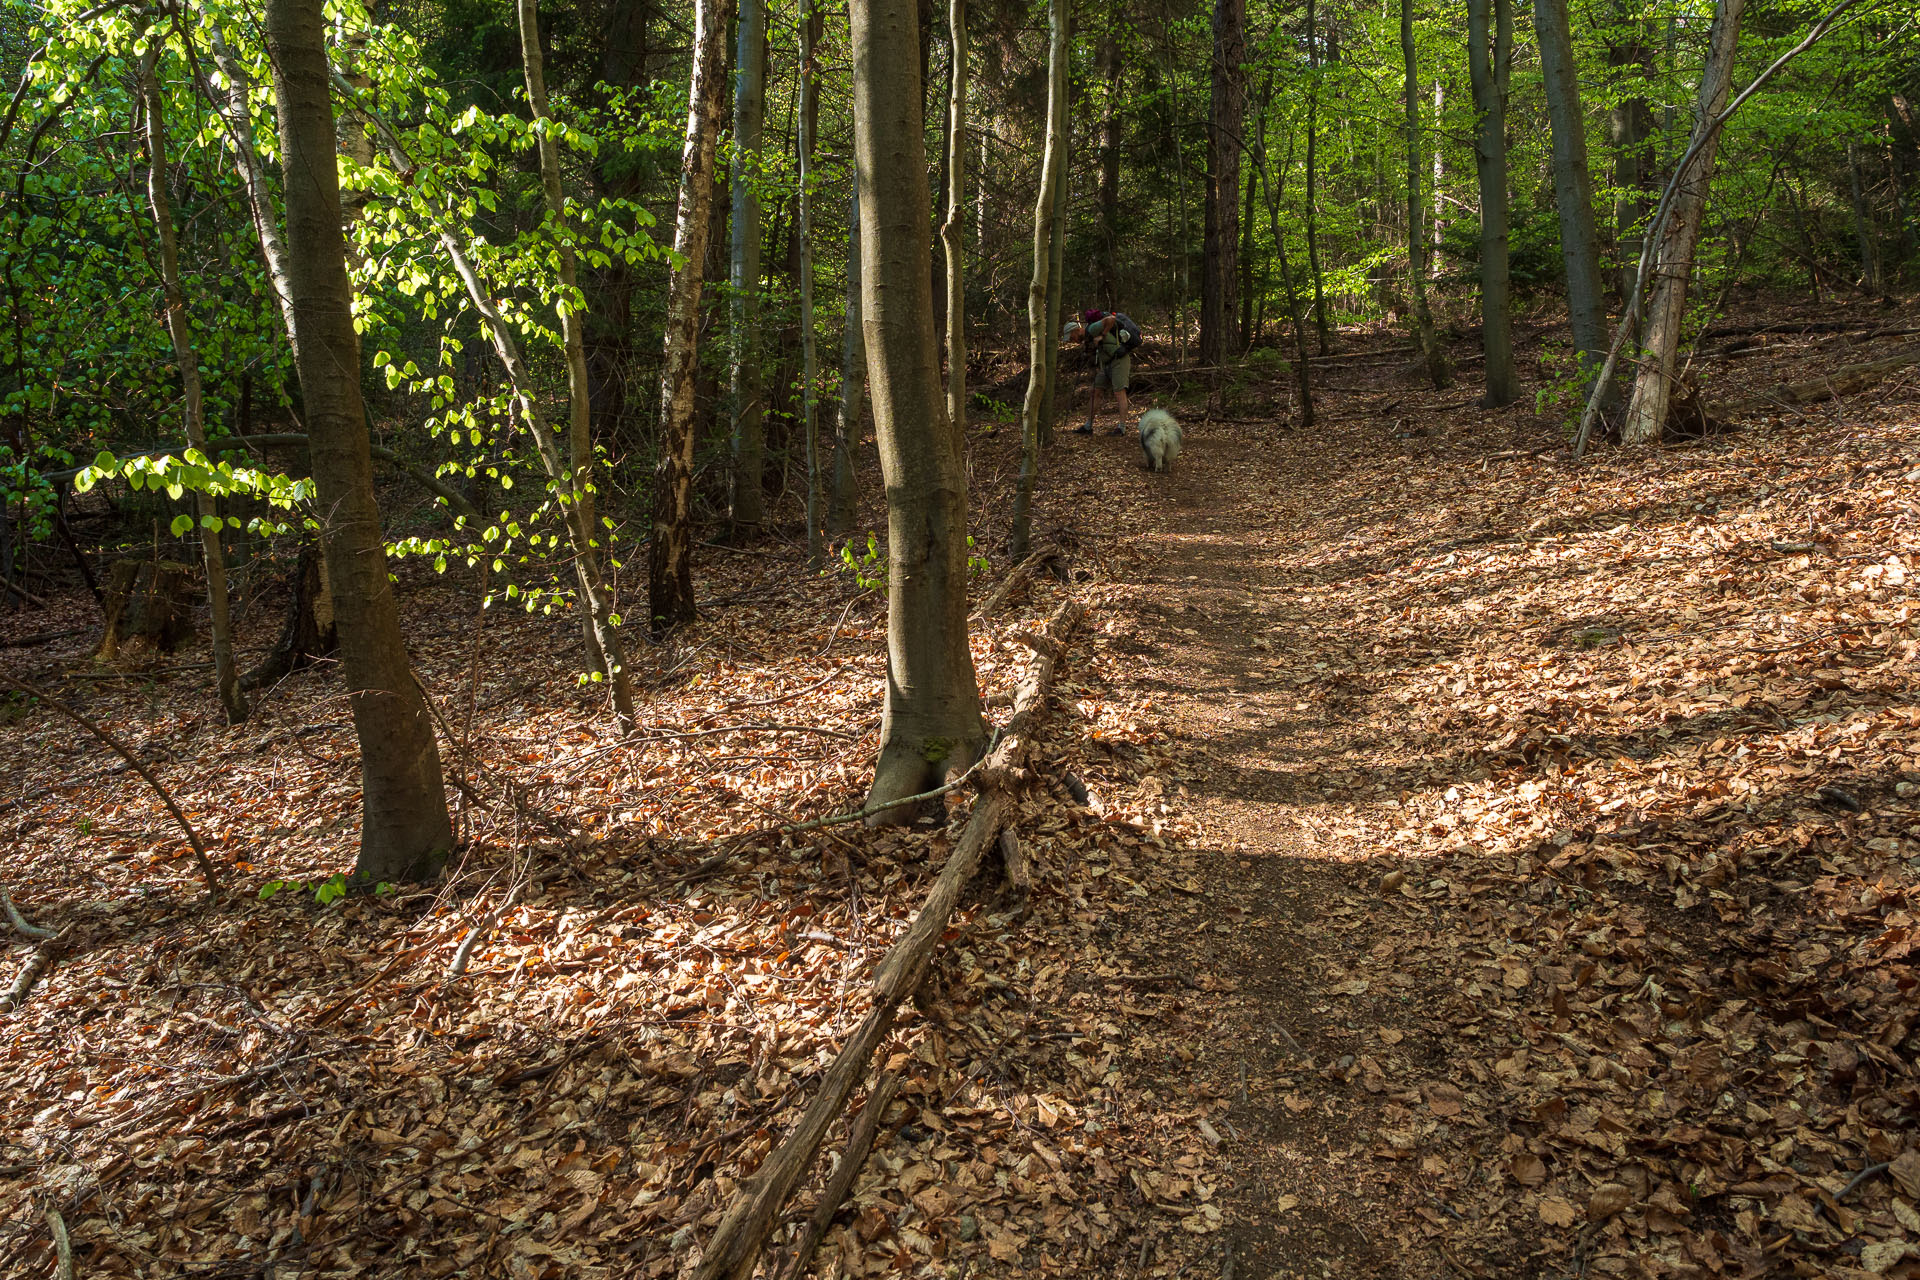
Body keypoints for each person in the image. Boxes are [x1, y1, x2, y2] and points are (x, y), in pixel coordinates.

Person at [1068, 308, 1139, 435]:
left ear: (1076, 331)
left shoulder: (1092, 329)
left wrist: (1103, 334)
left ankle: (1121, 428)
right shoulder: (1087, 337)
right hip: (1106, 364)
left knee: (1119, 392)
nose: (1071, 341)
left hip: (1119, 361)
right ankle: (1088, 426)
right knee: (1095, 392)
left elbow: (1111, 319)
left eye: (1071, 337)